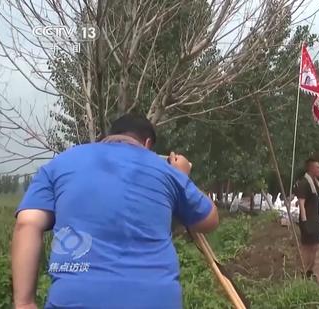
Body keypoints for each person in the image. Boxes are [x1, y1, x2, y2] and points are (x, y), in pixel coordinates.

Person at [12, 114, 219, 309]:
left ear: (108, 137)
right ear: (147, 143)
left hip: (75, 300)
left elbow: (27, 223)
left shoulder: (61, 163)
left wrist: (24, 303)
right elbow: (209, 220)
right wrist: (182, 176)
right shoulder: (166, 171)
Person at [295, 158, 319, 279]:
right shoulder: (304, 183)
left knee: (315, 246)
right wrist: (304, 221)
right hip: (308, 220)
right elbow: (301, 204)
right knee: (307, 247)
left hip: (315, 219)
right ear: (311, 168)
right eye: (317, 167)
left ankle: (310, 271)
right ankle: (304, 270)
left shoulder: (314, 182)